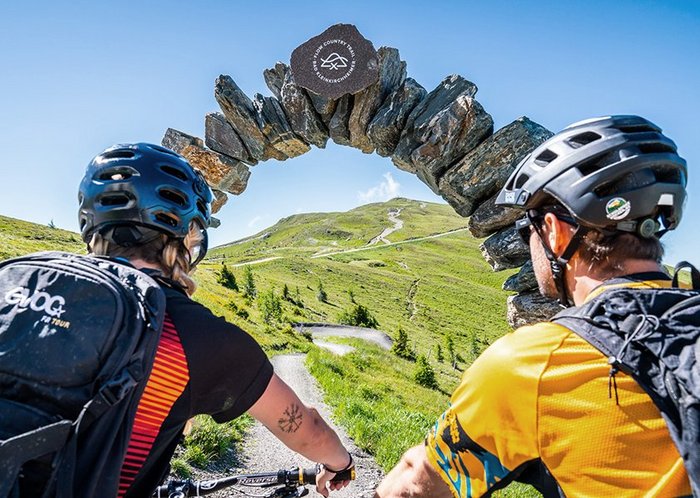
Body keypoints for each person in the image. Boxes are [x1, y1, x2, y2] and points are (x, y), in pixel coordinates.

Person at [374, 115, 692, 497]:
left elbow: (417, 483)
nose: (529, 241)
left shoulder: (536, 363)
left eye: (529, 228)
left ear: (555, 233)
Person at [78, 142, 354, 498]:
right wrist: (340, 464)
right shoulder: (196, 336)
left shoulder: (20, 282)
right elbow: (307, 428)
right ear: (187, 237)